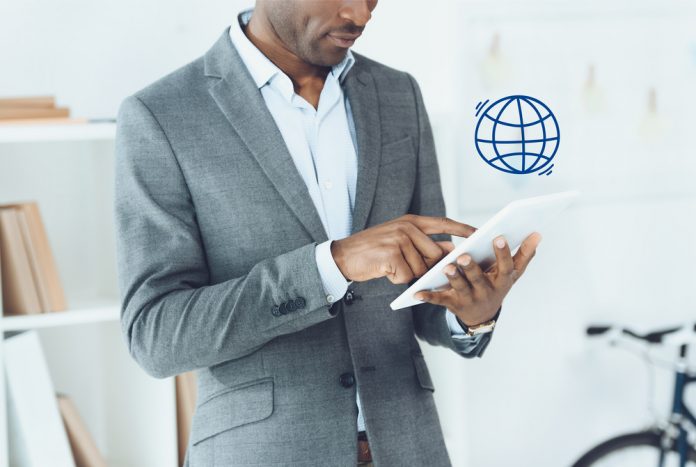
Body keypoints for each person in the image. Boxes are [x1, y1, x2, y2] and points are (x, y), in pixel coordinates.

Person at [113, 1, 542, 466]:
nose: (361, 14)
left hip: (409, 448)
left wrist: (471, 314)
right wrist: (330, 265)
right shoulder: (163, 115)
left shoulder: (398, 94)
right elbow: (155, 336)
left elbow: (426, 295)